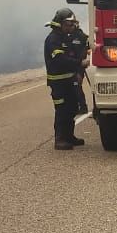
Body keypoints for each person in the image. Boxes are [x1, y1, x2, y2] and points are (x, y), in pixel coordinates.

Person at [44, 8, 86, 149]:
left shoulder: (65, 37)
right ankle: (60, 139)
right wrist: (79, 63)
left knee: (72, 108)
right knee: (62, 110)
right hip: (58, 82)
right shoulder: (53, 39)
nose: (71, 27)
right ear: (60, 23)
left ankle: (69, 136)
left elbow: (74, 52)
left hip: (69, 81)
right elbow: (60, 60)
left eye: (72, 24)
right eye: (68, 24)